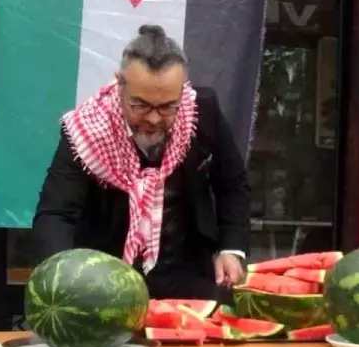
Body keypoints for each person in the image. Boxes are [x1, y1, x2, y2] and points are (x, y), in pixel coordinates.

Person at [32, 25, 251, 299]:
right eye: (140, 105)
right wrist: (64, 280)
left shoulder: (202, 111)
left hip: (190, 274)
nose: (154, 119)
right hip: (106, 284)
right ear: (119, 83)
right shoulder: (84, 131)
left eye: (167, 106)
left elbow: (232, 184)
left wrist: (232, 249)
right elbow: (56, 214)